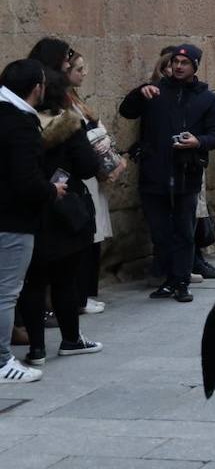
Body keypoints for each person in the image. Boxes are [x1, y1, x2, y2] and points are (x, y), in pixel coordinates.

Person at [119, 44, 215, 303]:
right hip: (155, 172)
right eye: (175, 61)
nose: (178, 66)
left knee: (184, 231)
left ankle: (181, 281)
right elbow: (127, 111)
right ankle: (167, 278)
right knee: (160, 231)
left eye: (184, 63)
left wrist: (197, 141)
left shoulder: (206, 98)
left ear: (194, 67)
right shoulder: (155, 92)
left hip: (185, 173)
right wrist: (138, 94)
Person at [17, 63, 104, 369]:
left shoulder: (18, 123)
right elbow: (86, 166)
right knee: (66, 279)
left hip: (28, 210)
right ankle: (71, 338)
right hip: (65, 211)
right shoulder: (68, 125)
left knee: (32, 282)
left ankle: (37, 348)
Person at [0, 60, 66, 383]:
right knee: (6, 292)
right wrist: (51, 190)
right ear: (36, 87)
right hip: (12, 221)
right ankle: (1, 362)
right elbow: (26, 182)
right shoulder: (20, 124)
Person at [65, 51, 124, 313]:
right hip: (82, 176)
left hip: (93, 176)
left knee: (94, 234)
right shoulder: (63, 104)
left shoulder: (75, 100)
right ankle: (79, 296)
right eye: (79, 69)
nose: (84, 73)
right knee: (87, 235)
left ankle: (87, 292)